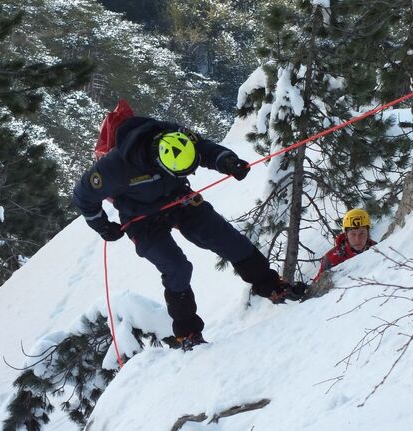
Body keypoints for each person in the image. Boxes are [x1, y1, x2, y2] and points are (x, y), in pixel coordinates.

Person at [72, 116, 306, 351]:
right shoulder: (114, 166)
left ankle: (272, 286)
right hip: (140, 220)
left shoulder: (176, 134)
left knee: (227, 239)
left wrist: (226, 161)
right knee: (177, 268)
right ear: (159, 162)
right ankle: (188, 334)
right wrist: (102, 226)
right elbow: (83, 196)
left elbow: (203, 148)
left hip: (179, 200)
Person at [314, 208, 377, 280]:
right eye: (353, 234)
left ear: (368, 233)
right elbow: (318, 283)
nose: (357, 239)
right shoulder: (331, 258)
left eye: (362, 233)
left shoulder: (377, 250)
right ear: (346, 234)